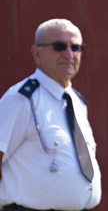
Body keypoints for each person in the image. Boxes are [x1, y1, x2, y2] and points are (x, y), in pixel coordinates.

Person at [0, 19, 102, 210]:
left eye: (76, 47)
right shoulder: (21, 99)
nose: (69, 54)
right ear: (37, 53)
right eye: (59, 46)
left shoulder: (76, 102)